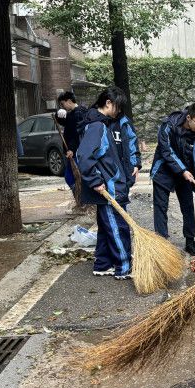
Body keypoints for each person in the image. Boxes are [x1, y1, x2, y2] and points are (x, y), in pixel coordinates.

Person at [76, 88, 139, 279]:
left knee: (106, 227)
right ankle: (124, 267)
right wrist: (95, 181)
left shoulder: (103, 124)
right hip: (109, 186)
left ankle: (102, 264)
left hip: (112, 184)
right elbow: (84, 156)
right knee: (118, 227)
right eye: (117, 106)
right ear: (109, 102)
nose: (119, 111)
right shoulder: (97, 126)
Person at [150, 102, 195, 257]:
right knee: (161, 207)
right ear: (189, 117)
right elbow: (166, 150)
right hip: (164, 171)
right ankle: (162, 242)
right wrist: (182, 170)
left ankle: (190, 241)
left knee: (188, 207)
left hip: (186, 174)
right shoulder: (169, 125)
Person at [55, 91, 87, 190]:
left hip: (76, 151)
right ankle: (80, 197)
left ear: (69, 101)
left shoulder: (79, 113)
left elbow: (76, 133)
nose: (62, 106)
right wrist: (57, 115)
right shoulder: (72, 113)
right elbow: (65, 123)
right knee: (71, 177)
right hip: (72, 151)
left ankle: (81, 197)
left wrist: (72, 149)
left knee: (72, 177)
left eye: (62, 104)